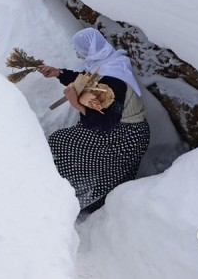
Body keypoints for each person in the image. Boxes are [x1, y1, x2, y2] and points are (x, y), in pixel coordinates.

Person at [37, 27, 149, 213]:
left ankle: (75, 196)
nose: (79, 55)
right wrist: (58, 73)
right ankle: (89, 191)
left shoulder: (114, 80)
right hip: (121, 130)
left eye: (80, 51)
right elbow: (85, 81)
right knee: (69, 143)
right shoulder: (109, 63)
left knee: (61, 143)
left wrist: (77, 105)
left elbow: (106, 123)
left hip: (125, 136)